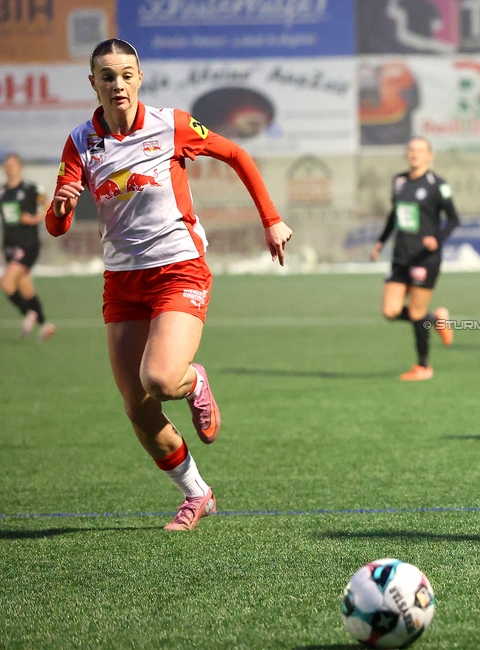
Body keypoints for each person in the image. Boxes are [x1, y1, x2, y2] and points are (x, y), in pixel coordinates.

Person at [46, 39, 293, 531]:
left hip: (179, 268)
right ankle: (196, 493)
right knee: (137, 408)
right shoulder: (79, 142)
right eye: (107, 76)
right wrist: (61, 206)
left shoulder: (172, 124)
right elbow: (56, 226)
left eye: (126, 74)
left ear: (140, 78)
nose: (118, 84)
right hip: (121, 280)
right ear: (92, 83)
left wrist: (271, 220)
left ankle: (194, 379)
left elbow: (237, 154)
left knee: (158, 379)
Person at [371, 136, 457, 381]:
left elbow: (453, 219)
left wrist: (437, 239)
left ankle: (423, 366)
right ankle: (436, 319)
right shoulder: (399, 182)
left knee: (417, 313)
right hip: (401, 255)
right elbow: (394, 215)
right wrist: (381, 241)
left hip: (425, 258)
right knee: (390, 311)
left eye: (420, 151)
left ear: (430, 155)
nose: (415, 154)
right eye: (411, 150)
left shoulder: (437, 185)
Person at [2, 153, 55, 340]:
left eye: (13, 164)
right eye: (7, 165)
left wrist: (34, 219)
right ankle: (44, 324)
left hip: (28, 244)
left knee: (6, 283)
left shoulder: (31, 188)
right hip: (9, 245)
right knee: (25, 287)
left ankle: (28, 314)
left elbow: (49, 205)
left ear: (21, 167)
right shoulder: (3, 192)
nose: (10, 168)